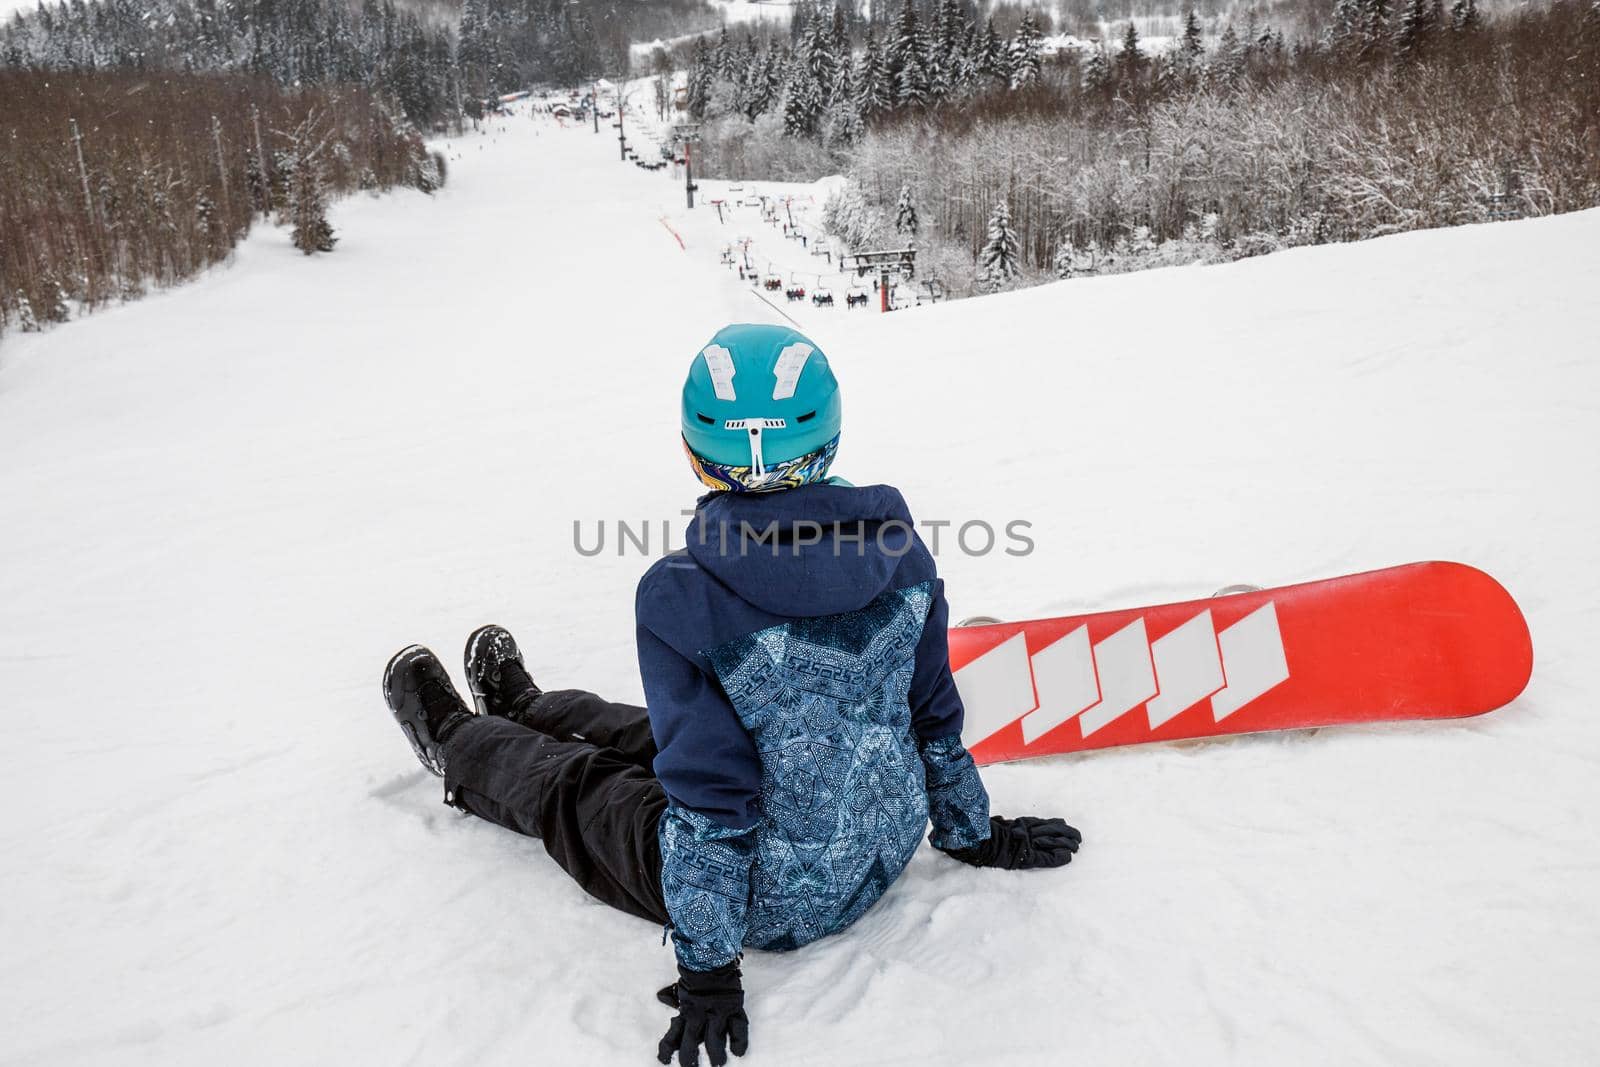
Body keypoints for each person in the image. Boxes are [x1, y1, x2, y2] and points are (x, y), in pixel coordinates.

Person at [381, 323, 1082, 1067]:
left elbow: (714, 798)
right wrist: (974, 832)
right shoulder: (903, 554)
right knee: (654, 733)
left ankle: (458, 740)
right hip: (881, 846)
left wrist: (709, 968)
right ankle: (529, 707)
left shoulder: (683, 593)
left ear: (694, 451)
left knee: (581, 788)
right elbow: (933, 718)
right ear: (831, 437)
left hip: (768, 895)